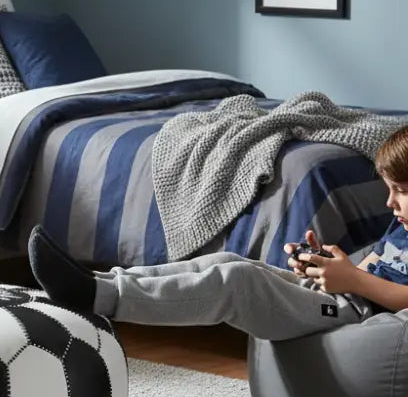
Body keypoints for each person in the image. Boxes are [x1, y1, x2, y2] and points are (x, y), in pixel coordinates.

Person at [28, 124, 408, 341]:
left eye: (401, 192)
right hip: (344, 295)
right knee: (230, 260)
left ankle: (104, 299)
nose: (389, 203)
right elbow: (370, 265)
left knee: (237, 282)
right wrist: (326, 265)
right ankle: (100, 283)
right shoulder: (401, 224)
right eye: (388, 190)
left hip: (357, 315)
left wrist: (352, 280)